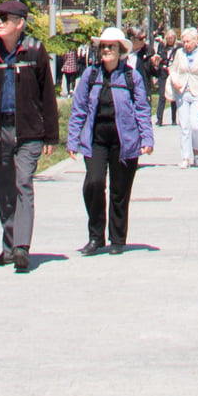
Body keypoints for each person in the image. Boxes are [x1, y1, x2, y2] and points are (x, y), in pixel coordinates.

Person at [0, 0, 60, 271]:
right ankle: (8, 248)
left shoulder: (34, 51)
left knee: (23, 182)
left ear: (20, 23)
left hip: (28, 131)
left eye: (4, 18)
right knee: (4, 189)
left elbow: (47, 95)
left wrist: (51, 135)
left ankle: (21, 248)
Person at [68, 26, 155, 253]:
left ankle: (117, 239)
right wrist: (73, 140)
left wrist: (147, 138)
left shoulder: (131, 76)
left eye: (111, 47)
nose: (106, 50)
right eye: (103, 46)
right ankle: (96, 237)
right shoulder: (91, 74)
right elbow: (79, 108)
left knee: (120, 191)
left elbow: (142, 109)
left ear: (120, 50)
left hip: (124, 140)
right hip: (96, 139)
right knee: (94, 183)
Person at [166, 24, 198, 167]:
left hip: (197, 93)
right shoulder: (180, 54)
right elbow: (173, 69)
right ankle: (185, 157)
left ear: (195, 41)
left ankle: (196, 150)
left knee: (196, 125)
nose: (185, 45)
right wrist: (175, 80)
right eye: (184, 42)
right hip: (182, 93)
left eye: (188, 42)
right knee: (185, 126)